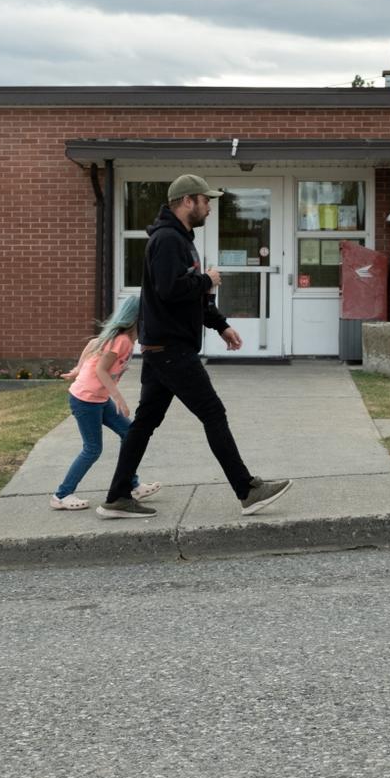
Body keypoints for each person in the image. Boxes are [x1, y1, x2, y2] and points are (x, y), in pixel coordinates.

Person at [96, 174, 292, 519]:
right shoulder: (169, 240)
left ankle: (116, 497)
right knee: (212, 413)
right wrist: (208, 280)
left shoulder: (180, 239)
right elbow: (171, 289)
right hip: (171, 349)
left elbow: (190, 297)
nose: (210, 207)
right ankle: (247, 490)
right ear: (188, 201)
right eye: (206, 200)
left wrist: (221, 325)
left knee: (144, 424)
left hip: (162, 348)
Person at [51, 296, 162, 510]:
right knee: (92, 449)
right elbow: (101, 370)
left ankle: (132, 484)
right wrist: (119, 398)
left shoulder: (125, 340)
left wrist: (77, 369)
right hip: (85, 401)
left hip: (98, 399)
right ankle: (61, 495)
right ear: (138, 318)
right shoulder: (122, 340)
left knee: (130, 434)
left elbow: (94, 344)